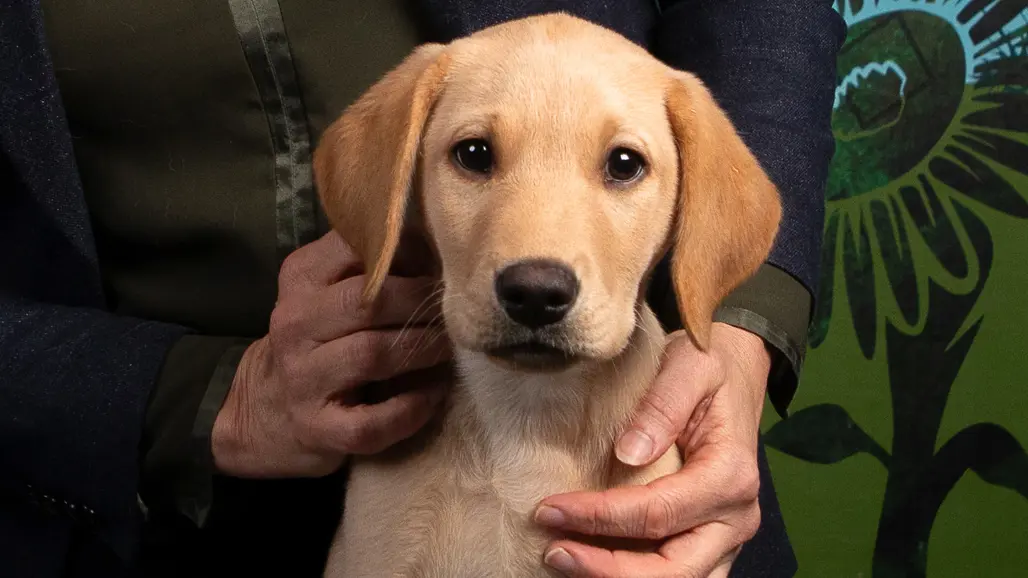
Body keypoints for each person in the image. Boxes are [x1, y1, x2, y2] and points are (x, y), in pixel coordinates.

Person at [0, 1, 845, 576]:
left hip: (646, 421)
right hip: (140, 520)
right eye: (475, 155)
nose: (539, 261)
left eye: (624, 165)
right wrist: (173, 396)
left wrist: (737, 324)